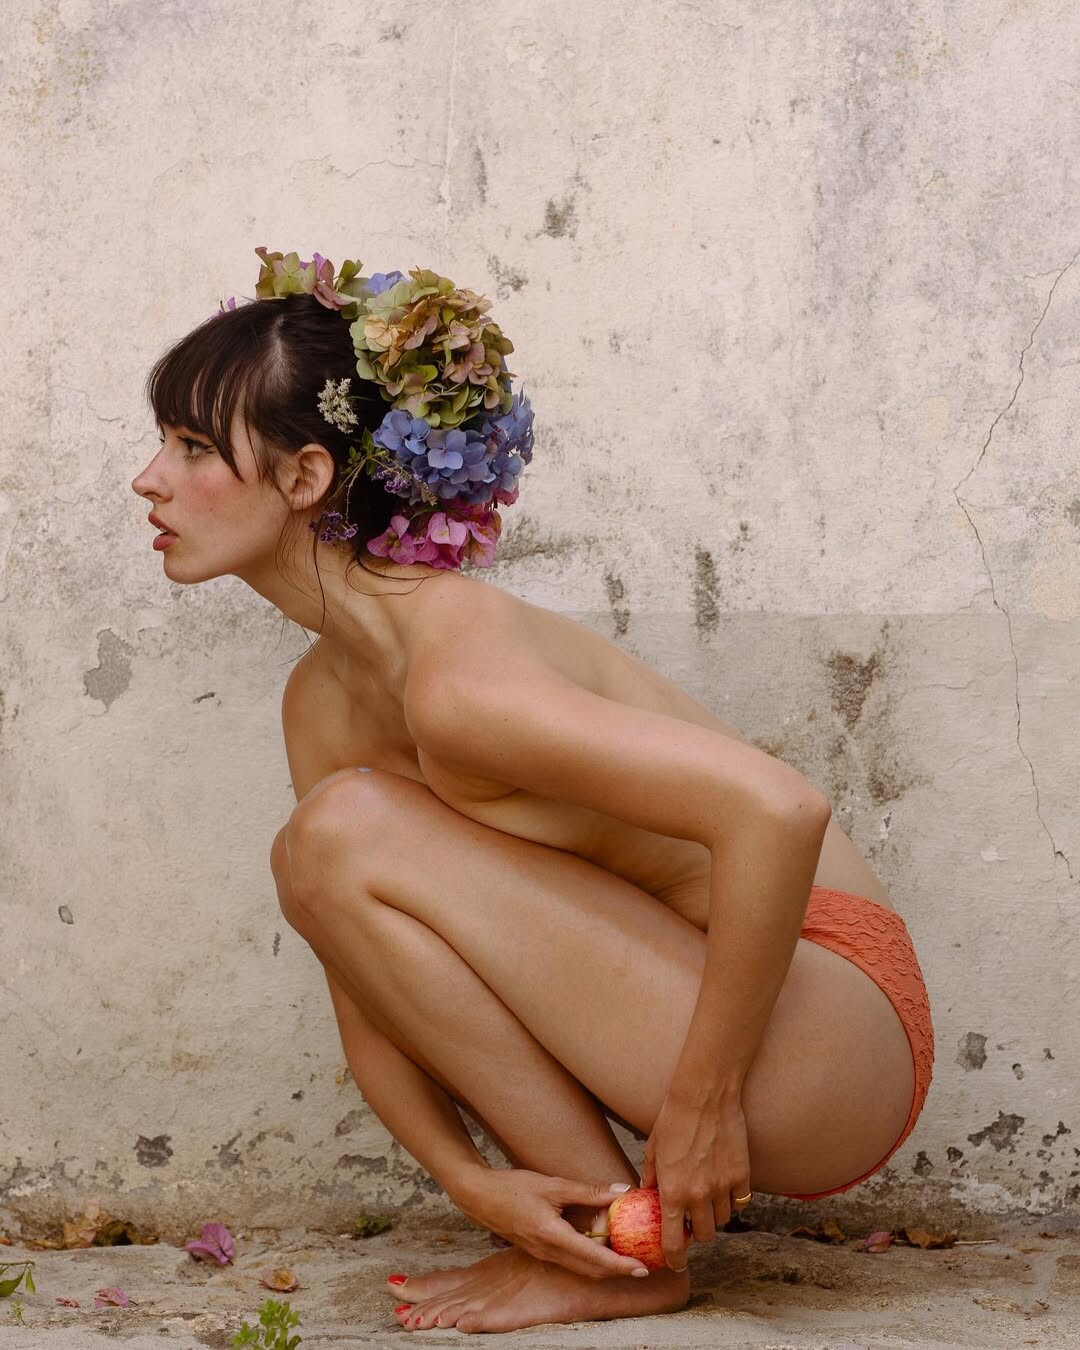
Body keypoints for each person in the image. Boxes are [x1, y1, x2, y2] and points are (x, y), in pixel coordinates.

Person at [131, 248, 934, 1335]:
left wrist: (702, 1108)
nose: (149, 480)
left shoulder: (455, 672)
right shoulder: (321, 700)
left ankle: (617, 1257)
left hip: (830, 1034)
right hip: (723, 1016)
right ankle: (603, 1241)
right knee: (326, 846)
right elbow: (362, 975)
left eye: (191, 448)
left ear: (306, 477)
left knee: (336, 831)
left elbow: (778, 811)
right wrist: (467, 1179)